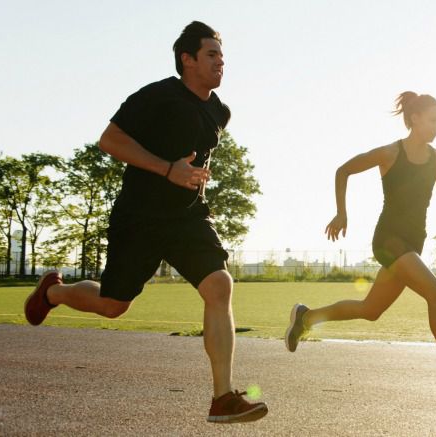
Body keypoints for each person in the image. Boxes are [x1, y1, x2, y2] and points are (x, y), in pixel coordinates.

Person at [23, 21, 268, 423]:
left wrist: (191, 186)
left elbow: (196, 161)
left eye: (222, 55)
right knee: (113, 305)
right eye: (211, 54)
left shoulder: (218, 111)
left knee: (220, 284)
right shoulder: (156, 96)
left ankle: (222, 397)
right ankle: (54, 293)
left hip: (187, 217)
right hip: (140, 216)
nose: (220, 61)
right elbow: (110, 140)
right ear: (187, 60)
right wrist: (166, 170)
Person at [284, 92, 436, 402]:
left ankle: (306, 317)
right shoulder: (390, 153)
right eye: (433, 120)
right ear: (414, 119)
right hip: (388, 240)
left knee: (370, 310)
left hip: (414, 244)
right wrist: (342, 212)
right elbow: (343, 170)